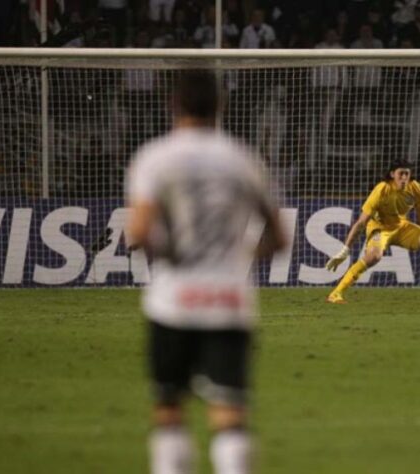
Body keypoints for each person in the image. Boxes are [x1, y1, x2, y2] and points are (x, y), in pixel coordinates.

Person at [126, 70, 286, 474]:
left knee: (169, 410)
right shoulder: (243, 159)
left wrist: (174, 256)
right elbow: (279, 237)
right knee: (230, 413)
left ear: (173, 105)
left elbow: (140, 232)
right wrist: (240, 257)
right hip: (229, 302)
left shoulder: (154, 158)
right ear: (220, 105)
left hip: (173, 302)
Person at [325, 159, 420, 304]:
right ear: (392, 174)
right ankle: (335, 294)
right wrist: (345, 250)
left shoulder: (416, 189)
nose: (404, 177)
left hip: (401, 227)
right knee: (373, 257)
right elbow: (361, 222)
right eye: (401, 174)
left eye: (407, 174)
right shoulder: (381, 190)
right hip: (380, 229)